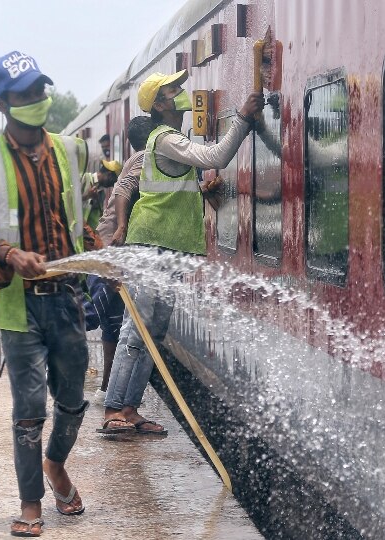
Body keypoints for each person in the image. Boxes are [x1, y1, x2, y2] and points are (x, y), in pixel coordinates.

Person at [0, 51, 101, 537]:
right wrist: (8, 253)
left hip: (67, 296)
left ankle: (56, 462)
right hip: (20, 304)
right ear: (3, 104)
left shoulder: (70, 149)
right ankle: (31, 504)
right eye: (24, 95)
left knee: (73, 399)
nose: (36, 102)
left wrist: (103, 257)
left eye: (40, 91)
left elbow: (78, 217)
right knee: (28, 407)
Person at [99, 70, 263, 435]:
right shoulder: (165, 138)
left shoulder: (170, 140)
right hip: (151, 244)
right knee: (136, 329)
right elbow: (216, 155)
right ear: (159, 104)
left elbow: (175, 191)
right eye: (173, 90)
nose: (181, 94)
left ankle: (130, 408)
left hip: (170, 246)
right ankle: (113, 410)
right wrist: (243, 119)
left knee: (153, 331)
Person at [83, 116, 155, 406]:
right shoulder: (143, 160)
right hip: (111, 253)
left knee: (111, 323)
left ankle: (104, 389)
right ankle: (46, 337)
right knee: (92, 315)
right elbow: (126, 194)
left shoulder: (137, 160)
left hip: (107, 251)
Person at [81, 159, 121, 231]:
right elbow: (70, 201)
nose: (112, 185)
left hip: (89, 234)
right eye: (113, 181)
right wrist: (87, 196)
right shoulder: (84, 179)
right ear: (109, 174)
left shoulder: (102, 194)